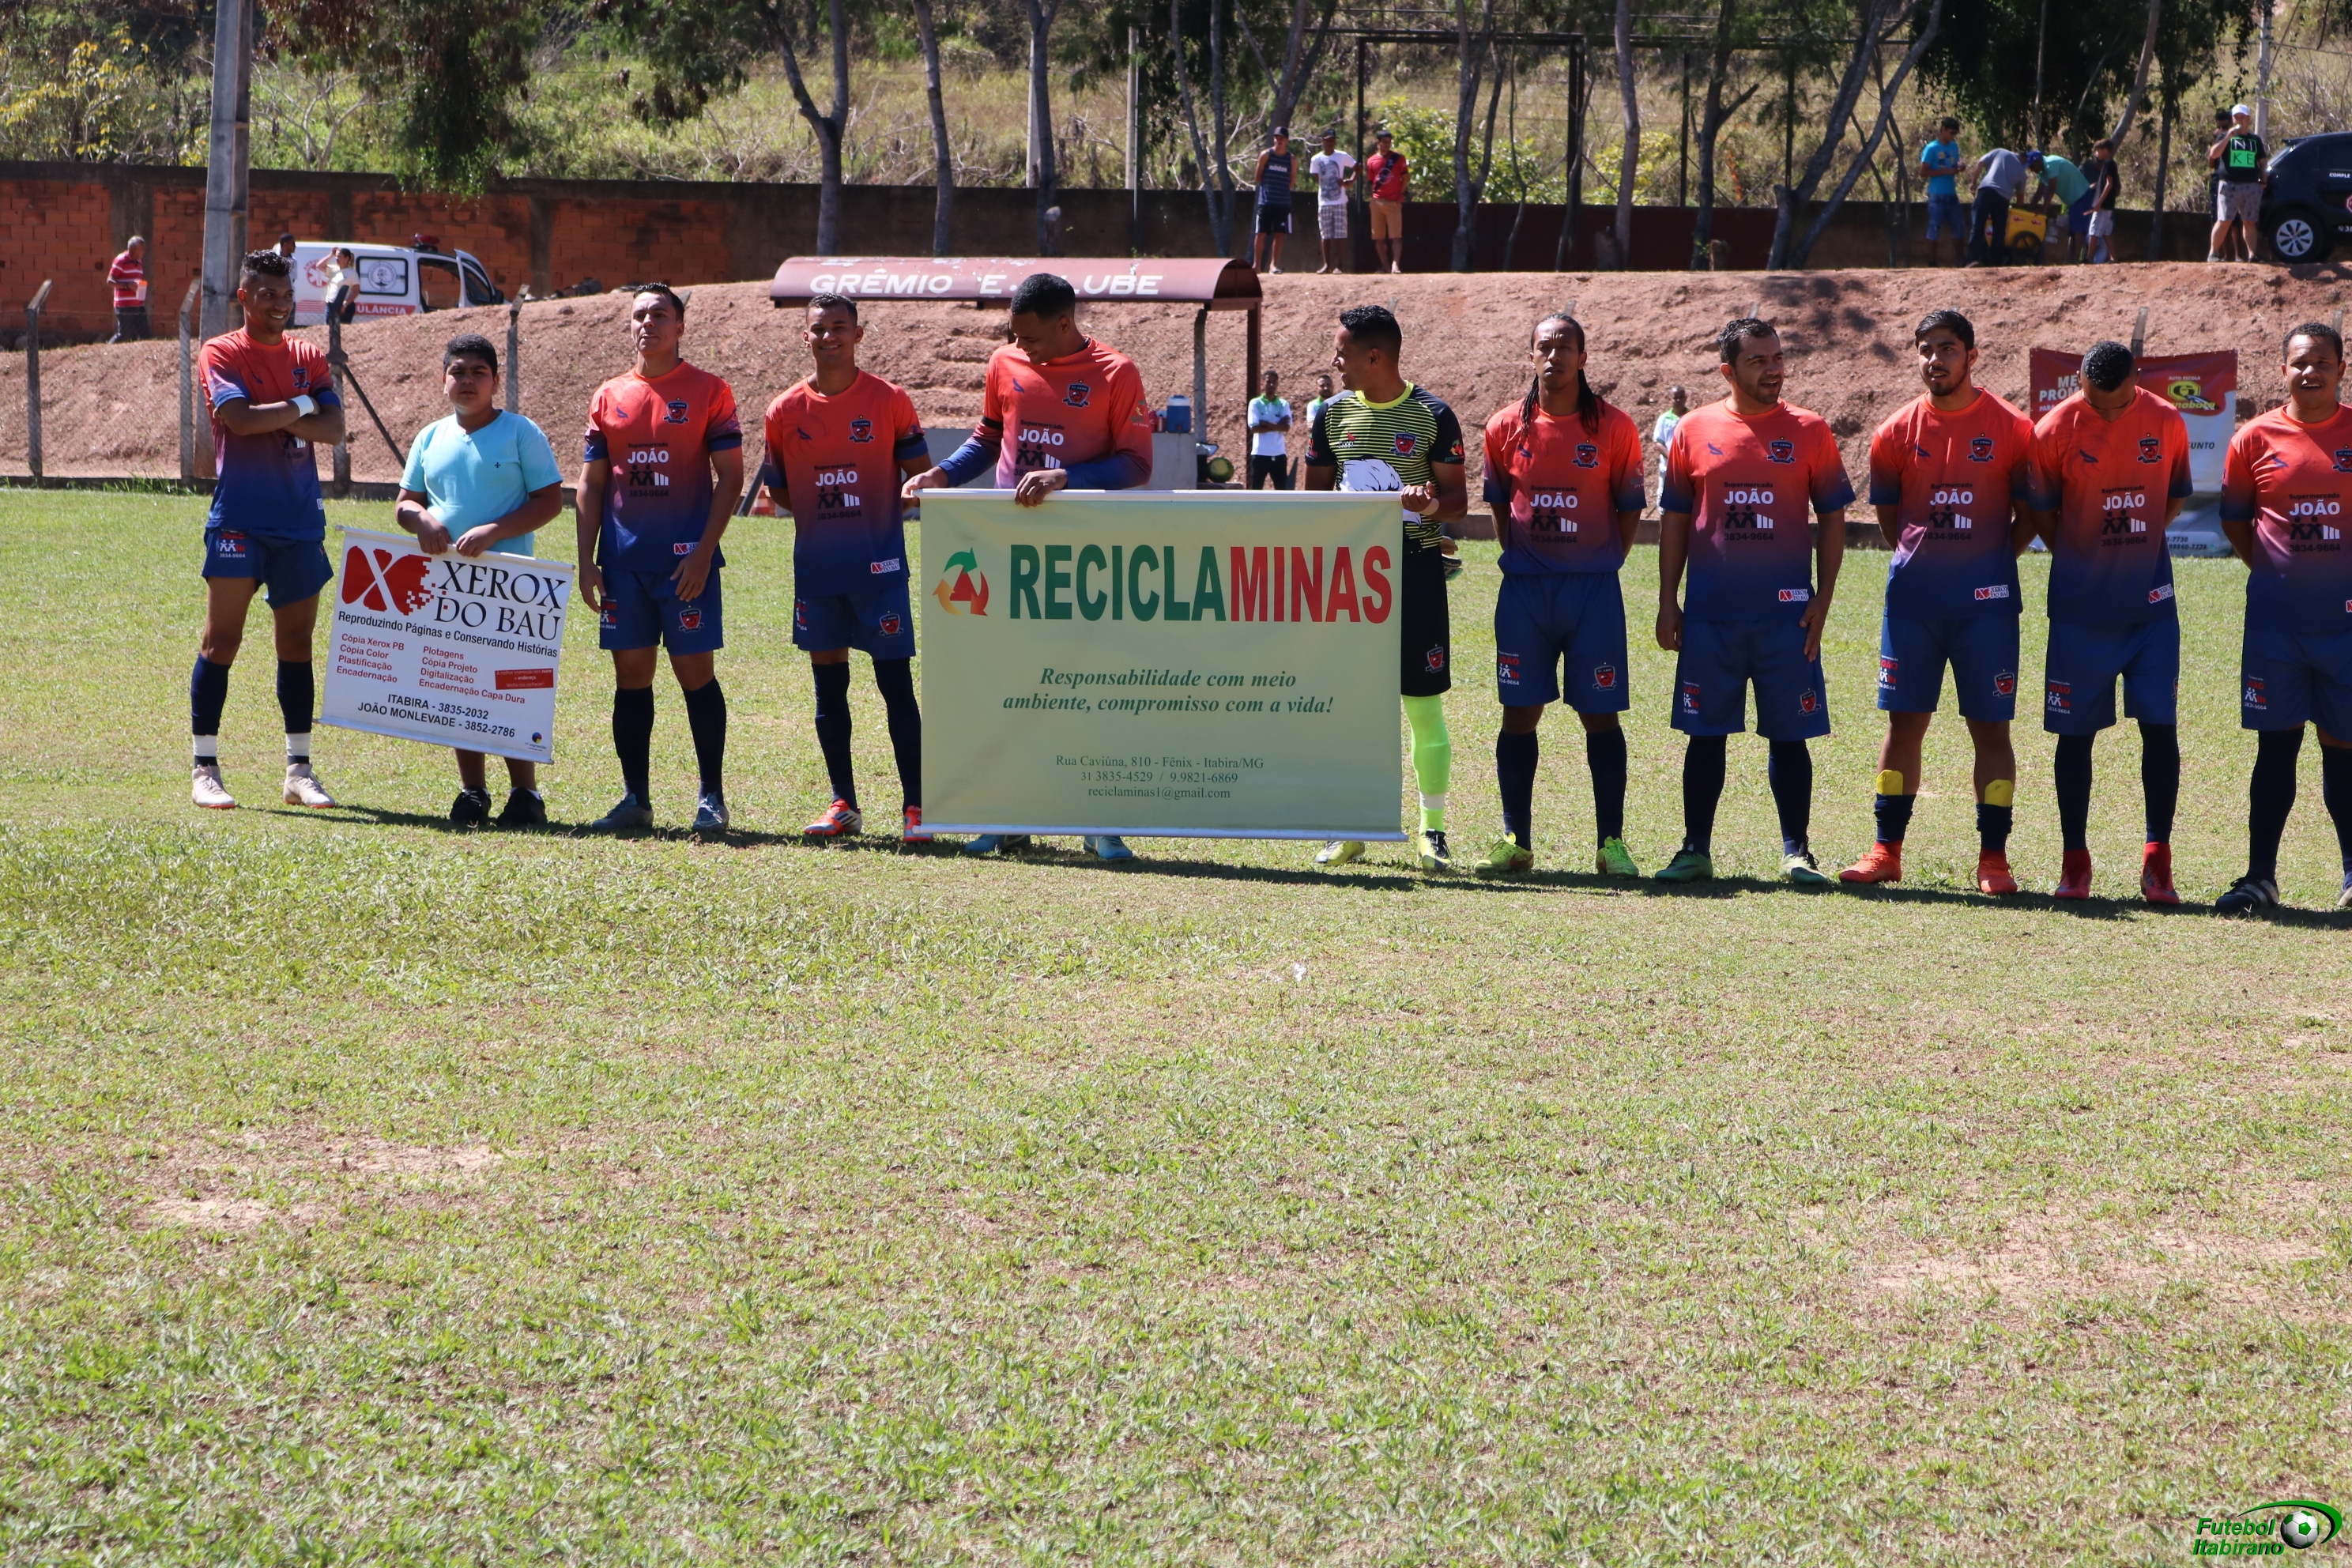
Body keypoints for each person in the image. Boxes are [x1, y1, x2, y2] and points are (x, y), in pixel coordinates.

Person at [903, 270, 1154, 862]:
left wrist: (1068, 478)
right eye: (1015, 335)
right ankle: (1006, 816)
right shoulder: (1005, 362)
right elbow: (989, 437)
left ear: (1066, 324)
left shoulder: (1117, 373)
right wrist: (943, 473)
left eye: (1032, 337)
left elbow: (1137, 463)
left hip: (1084, 558)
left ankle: (1099, 822)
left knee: (1088, 688)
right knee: (1009, 684)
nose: (1022, 347)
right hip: (1008, 553)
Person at [1838, 310, 2036, 895]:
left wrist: (1990, 560)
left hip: (1987, 609)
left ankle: (1993, 860)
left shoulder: (2014, 429)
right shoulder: (1894, 432)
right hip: (1913, 606)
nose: (1935, 360)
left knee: (1991, 731)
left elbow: (2030, 516)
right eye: (1925, 349)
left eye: (1947, 349)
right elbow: (1891, 522)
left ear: (1972, 355)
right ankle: (1885, 851)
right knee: (1903, 727)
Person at [1652, 316, 1853, 886]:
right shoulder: (1693, 429)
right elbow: (1675, 521)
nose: (1774, 369)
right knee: (1704, 735)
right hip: (1710, 615)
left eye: (1778, 357)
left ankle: (1797, 852)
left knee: (1790, 737)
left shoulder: (1810, 429)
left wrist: (1824, 598)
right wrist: (1668, 601)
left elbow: (1832, 518)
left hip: (1786, 616)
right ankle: (1695, 849)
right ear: (1728, 370)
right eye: (1758, 361)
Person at [1472, 313, 1646, 879]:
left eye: (1565, 347)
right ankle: (1515, 841)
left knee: (1601, 715)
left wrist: (1600, 560)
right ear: (1531, 357)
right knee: (1519, 714)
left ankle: (1611, 843)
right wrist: (1528, 559)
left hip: (1592, 593)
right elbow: (1501, 506)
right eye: (1544, 347)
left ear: (1583, 357)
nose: (1555, 356)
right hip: (1526, 592)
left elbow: (1629, 510)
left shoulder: (1615, 427)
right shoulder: (1504, 427)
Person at [757, 294, 933, 844]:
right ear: (804, 337)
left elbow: (920, 478)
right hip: (819, 569)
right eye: (819, 329)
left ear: (858, 334)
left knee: (895, 685)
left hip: (879, 570)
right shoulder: (784, 411)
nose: (828, 336)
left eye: (839, 327)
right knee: (828, 688)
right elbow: (780, 490)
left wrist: (874, 513)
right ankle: (844, 805)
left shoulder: (889, 400)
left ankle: (918, 809)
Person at [2024, 339, 2192, 901]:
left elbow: (2173, 498)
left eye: (2118, 404)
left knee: (2160, 729)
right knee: (2074, 737)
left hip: (2150, 610)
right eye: (2097, 402)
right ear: (2080, 381)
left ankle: (2157, 859)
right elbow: (2042, 512)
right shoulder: (2054, 429)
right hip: (2080, 611)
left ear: (2135, 381)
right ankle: (2075, 862)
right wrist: (2082, 554)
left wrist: (2136, 548)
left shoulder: (2165, 420)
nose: (2108, 413)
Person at [575, 282, 745, 834]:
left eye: (659, 315)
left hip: (685, 565)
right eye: (639, 315)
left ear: (680, 326)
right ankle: (635, 801)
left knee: (695, 674)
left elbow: (732, 478)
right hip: (623, 564)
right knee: (631, 676)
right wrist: (587, 560)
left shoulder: (710, 390)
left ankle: (711, 799)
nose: (647, 323)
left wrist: (703, 553)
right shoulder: (609, 395)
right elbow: (591, 482)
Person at [1304, 303, 1466, 871]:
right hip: (1348, 581)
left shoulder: (1433, 415)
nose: (1334, 362)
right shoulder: (1330, 415)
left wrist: (1430, 506)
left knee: (1422, 705)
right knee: (1348, 707)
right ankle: (1350, 828)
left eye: (1342, 353)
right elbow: (1312, 503)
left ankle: (1432, 832)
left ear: (1374, 357)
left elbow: (1458, 502)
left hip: (1414, 573)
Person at [188, 249, 348, 811]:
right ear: (244, 297)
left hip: (299, 521)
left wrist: (280, 410)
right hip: (239, 519)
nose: (280, 304)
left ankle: (299, 771)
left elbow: (334, 428)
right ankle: (205, 769)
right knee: (222, 641)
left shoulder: (309, 354)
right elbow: (238, 420)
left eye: (286, 295)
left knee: (296, 644)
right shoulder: (221, 351)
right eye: (267, 295)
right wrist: (302, 405)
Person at [394, 333, 565, 827]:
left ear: (495, 381)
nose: (467, 380)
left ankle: (526, 794)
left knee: (510, 686)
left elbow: (549, 501)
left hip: (511, 588)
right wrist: (421, 520)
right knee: (458, 685)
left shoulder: (520, 432)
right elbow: (405, 503)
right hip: (446, 586)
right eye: (458, 372)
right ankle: (473, 791)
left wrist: (495, 531)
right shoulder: (430, 437)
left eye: (478, 373)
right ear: (444, 379)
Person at [2214, 322, 2352, 913]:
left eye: (2321, 362)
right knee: (2276, 749)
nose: (2310, 372)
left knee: (2344, 749)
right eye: (2300, 362)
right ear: (2283, 370)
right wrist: (2277, 573)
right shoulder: (2253, 438)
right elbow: (2235, 522)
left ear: (2341, 368)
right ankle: (2260, 879)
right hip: (2276, 629)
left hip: (2346, 630)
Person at [2210, 104, 2267, 263]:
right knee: (2224, 220)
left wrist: (2263, 181)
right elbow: (2214, 154)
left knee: (2250, 221)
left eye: (2242, 117)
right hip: (2229, 185)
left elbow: (2263, 162)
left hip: (2251, 186)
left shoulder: (2255, 140)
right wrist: (2227, 137)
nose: (2239, 120)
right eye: (2236, 117)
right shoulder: (2225, 137)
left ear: (2248, 119)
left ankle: (2252, 255)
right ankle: (2213, 253)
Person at [1964, 144, 2030, 267]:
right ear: (2023, 159)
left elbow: (1980, 163)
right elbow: (2020, 198)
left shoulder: (2000, 152)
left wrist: (1973, 182)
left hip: (1987, 191)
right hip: (2003, 199)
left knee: (1978, 226)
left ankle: (1972, 258)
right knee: (1999, 230)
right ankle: (1996, 262)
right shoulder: (2022, 173)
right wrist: (2019, 211)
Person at [2031, 146, 2093, 264]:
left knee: (2078, 230)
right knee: (2073, 230)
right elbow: (2039, 192)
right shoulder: (2042, 173)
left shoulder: (2051, 163)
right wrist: (2030, 208)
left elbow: (2052, 188)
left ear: (2038, 162)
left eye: (2032, 166)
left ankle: (2076, 261)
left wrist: (2044, 208)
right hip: (2073, 200)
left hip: (2081, 195)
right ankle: (2073, 260)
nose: (2031, 170)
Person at [1308, 130, 1356, 273]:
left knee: (1341, 234)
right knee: (1326, 234)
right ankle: (1327, 265)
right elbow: (1317, 179)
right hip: (1324, 201)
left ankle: (1340, 266)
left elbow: (1357, 167)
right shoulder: (1316, 159)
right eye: (1328, 140)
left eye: (1333, 140)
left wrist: (1350, 181)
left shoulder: (1342, 156)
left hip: (1340, 201)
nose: (1331, 143)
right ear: (1322, 141)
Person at [1920, 118, 1966, 266]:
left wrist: (1959, 168)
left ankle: (1961, 261)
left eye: (1955, 133)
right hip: (1936, 195)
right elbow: (1923, 172)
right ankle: (1932, 262)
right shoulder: (1931, 148)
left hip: (1951, 194)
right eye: (1951, 132)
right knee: (1934, 228)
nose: (1953, 136)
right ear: (1943, 129)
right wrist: (1946, 171)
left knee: (1959, 227)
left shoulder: (1954, 147)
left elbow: (1954, 166)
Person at [1365, 128, 1408, 275]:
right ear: (1378, 142)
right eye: (1384, 142)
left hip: (1393, 202)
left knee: (1396, 237)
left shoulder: (1398, 158)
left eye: (1389, 142)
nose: (1387, 145)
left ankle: (1395, 266)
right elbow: (1371, 181)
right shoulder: (1371, 161)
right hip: (1377, 202)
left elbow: (1405, 178)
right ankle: (1385, 266)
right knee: (1378, 238)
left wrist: (1399, 193)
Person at [1252, 127, 1295, 274]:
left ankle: (1274, 266)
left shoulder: (1292, 159)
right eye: (1277, 138)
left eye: (1282, 138)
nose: (1279, 140)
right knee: (1261, 233)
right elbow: (1258, 177)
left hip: (1283, 203)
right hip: (1266, 202)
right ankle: (1256, 266)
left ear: (1287, 140)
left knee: (1279, 234)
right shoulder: (1265, 155)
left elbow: (1291, 182)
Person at [1246, 370, 1291, 489]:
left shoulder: (1283, 404)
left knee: (1282, 490)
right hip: (1260, 453)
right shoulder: (1255, 403)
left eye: (1274, 382)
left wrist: (1265, 423)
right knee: (1256, 489)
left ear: (1278, 384)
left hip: (1279, 453)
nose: (1271, 385)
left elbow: (1286, 427)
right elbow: (1254, 428)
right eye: (1268, 382)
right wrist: (1278, 425)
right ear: (1262, 383)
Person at [1650, 385, 1687, 507]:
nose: (1678, 400)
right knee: (1663, 501)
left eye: (1681, 397)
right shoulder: (1663, 419)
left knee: (1686, 502)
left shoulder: (1691, 417)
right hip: (1667, 469)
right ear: (1670, 399)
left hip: (1687, 470)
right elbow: (1659, 443)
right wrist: (1673, 458)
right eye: (1675, 398)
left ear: (1686, 398)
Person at [107, 235, 149, 343]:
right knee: (125, 334)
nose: (144, 251)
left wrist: (141, 287)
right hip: (124, 305)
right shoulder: (121, 260)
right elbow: (110, 281)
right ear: (134, 248)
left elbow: (136, 281)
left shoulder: (139, 262)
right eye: (142, 249)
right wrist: (127, 285)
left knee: (145, 334)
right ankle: (107, 350)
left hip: (139, 304)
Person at [2085, 141, 2121, 264]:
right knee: (2106, 233)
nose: (2096, 153)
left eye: (2098, 151)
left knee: (2093, 231)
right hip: (2107, 205)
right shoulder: (2108, 164)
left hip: (2103, 205)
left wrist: (2099, 203)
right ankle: (2114, 258)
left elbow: (2109, 184)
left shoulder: (2109, 164)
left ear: (2105, 150)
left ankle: (2089, 259)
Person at [326, 247, 359, 323]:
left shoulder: (352, 273)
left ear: (346, 258)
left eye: (339, 256)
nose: (336, 258)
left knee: (343, 328)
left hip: (344, 307)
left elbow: (356, 291)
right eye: (336, 256)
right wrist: (331, 255)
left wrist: (345, 304)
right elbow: (319, 266)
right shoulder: (334, 270)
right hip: (331, 305)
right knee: (328, 327)